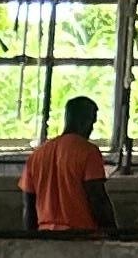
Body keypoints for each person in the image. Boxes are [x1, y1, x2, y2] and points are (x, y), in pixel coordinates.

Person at [21, 93, 117, 238]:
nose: (91, 129)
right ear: (84, 122)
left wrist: (31, 241)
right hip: (81, 236)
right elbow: (97, 198)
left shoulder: (36, 156)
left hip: (45, 236)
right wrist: (113, 233)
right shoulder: (89, 152)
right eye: (92, 123)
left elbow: (29, 206)